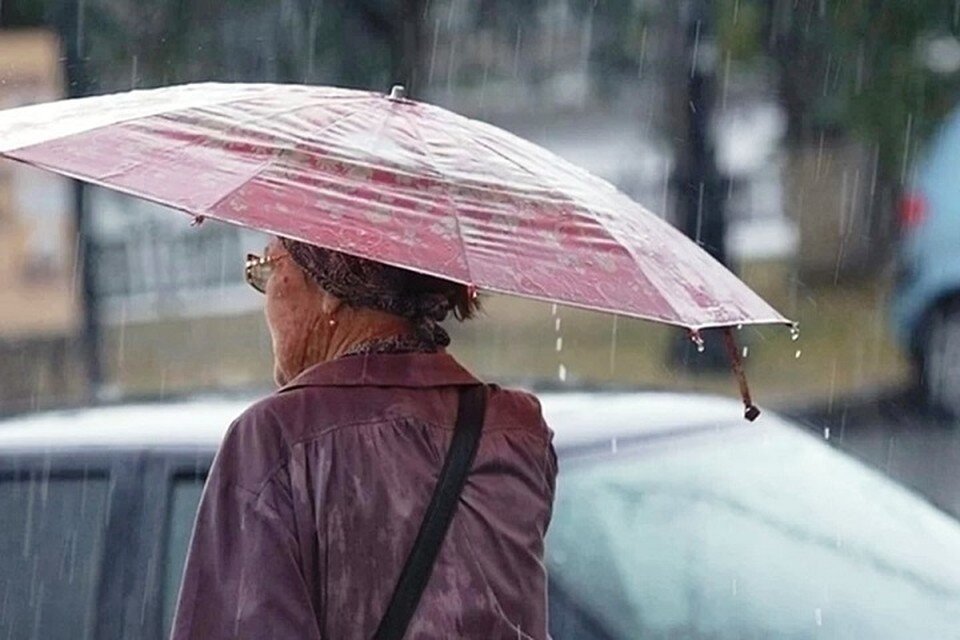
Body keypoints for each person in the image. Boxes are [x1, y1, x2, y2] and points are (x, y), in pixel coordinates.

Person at [170, 236, 557, 639]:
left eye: (268, 268)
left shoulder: (276, 440)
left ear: (331, 285)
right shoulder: (516, 431)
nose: (266, 295)